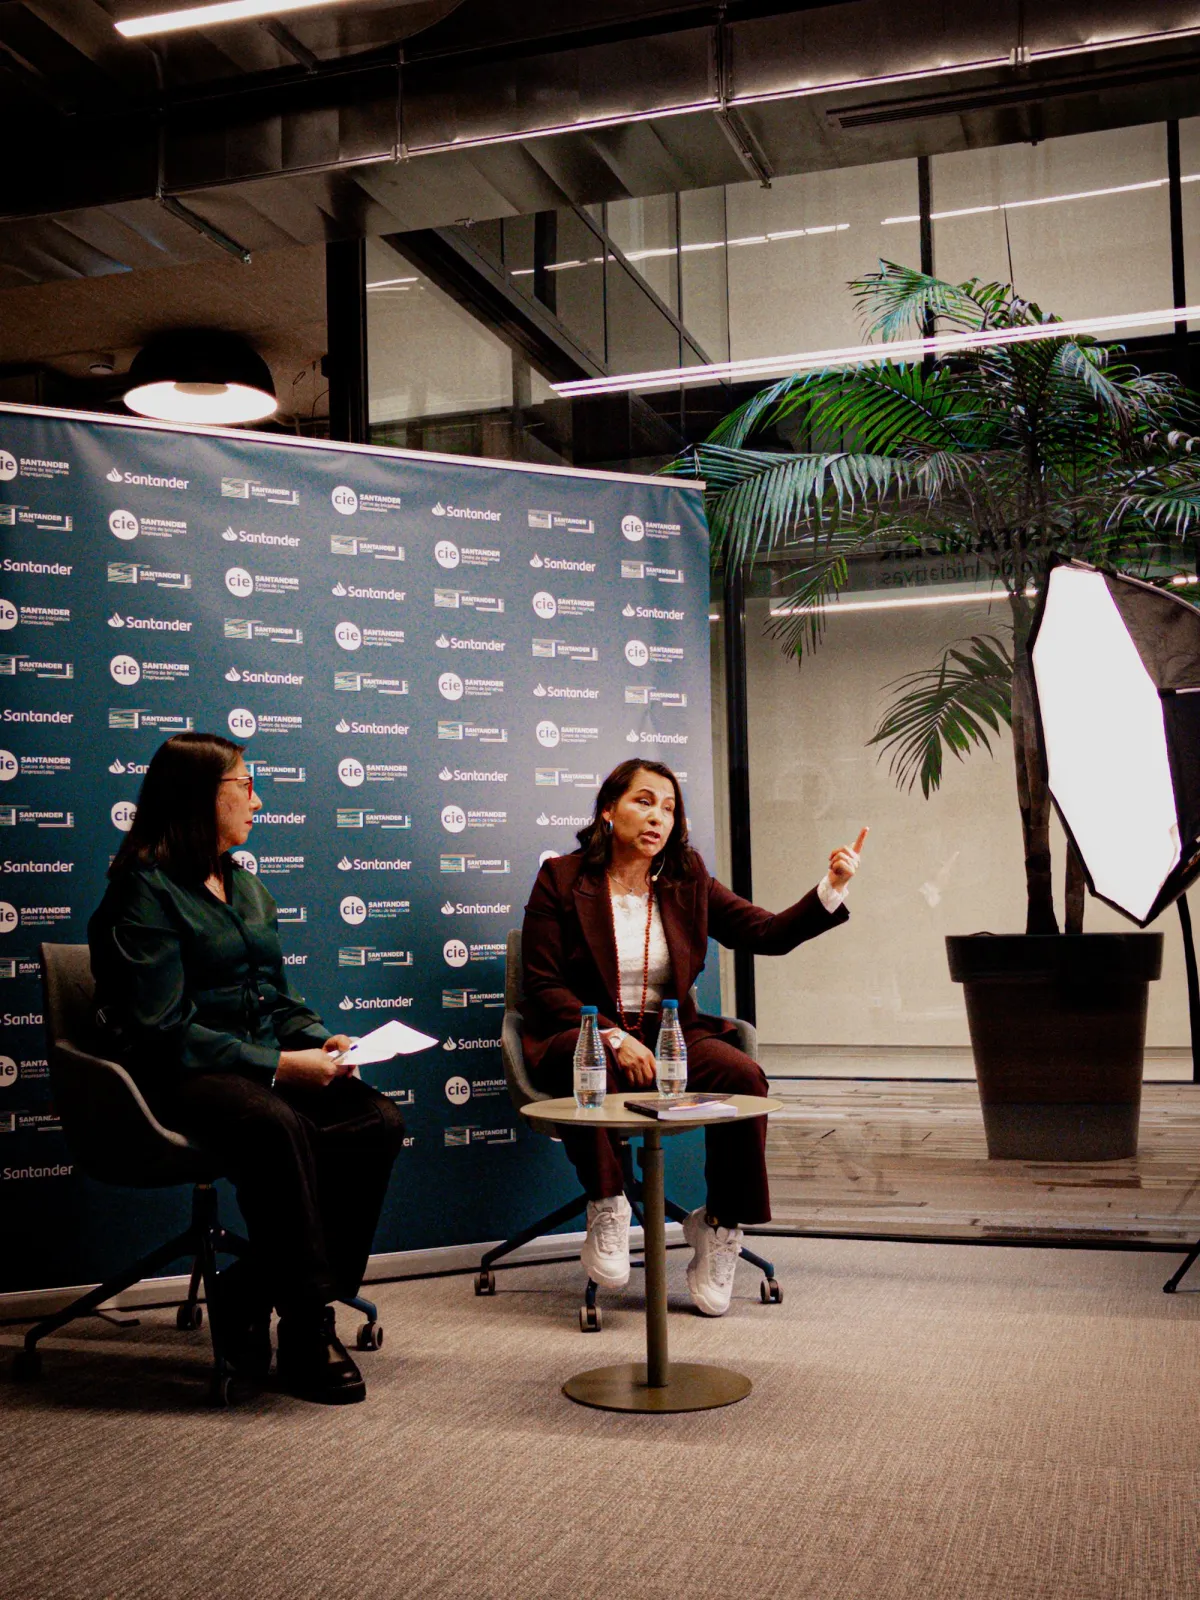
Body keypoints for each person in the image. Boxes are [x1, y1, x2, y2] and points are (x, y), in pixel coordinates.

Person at [88, 733, 406, 1405]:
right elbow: (161, 1029)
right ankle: (306, 1324)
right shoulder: (143, 892)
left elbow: (275, 996)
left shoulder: (247, 886)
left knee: (375, 1119)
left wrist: (321, 1044)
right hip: (177, 1077)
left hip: (256, 1066)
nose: (259, 801)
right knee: (275, 1122)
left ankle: (248, 1290)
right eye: (246, 786)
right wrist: (276, 1068)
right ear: (203, 797)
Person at [520, 759, 865, 1317]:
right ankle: (607, 1204)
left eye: (670, 808)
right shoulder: (562, 878)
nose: (658, 817)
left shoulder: (687, 878)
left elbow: (766, 933)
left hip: (668, 1033)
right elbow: (541, 984)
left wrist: (833, 886)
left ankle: (721, 1227)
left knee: (742, 1075)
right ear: (608, 810)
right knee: (592, 1064)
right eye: (644, 802)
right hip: (582, 1029)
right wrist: (609, 1036)